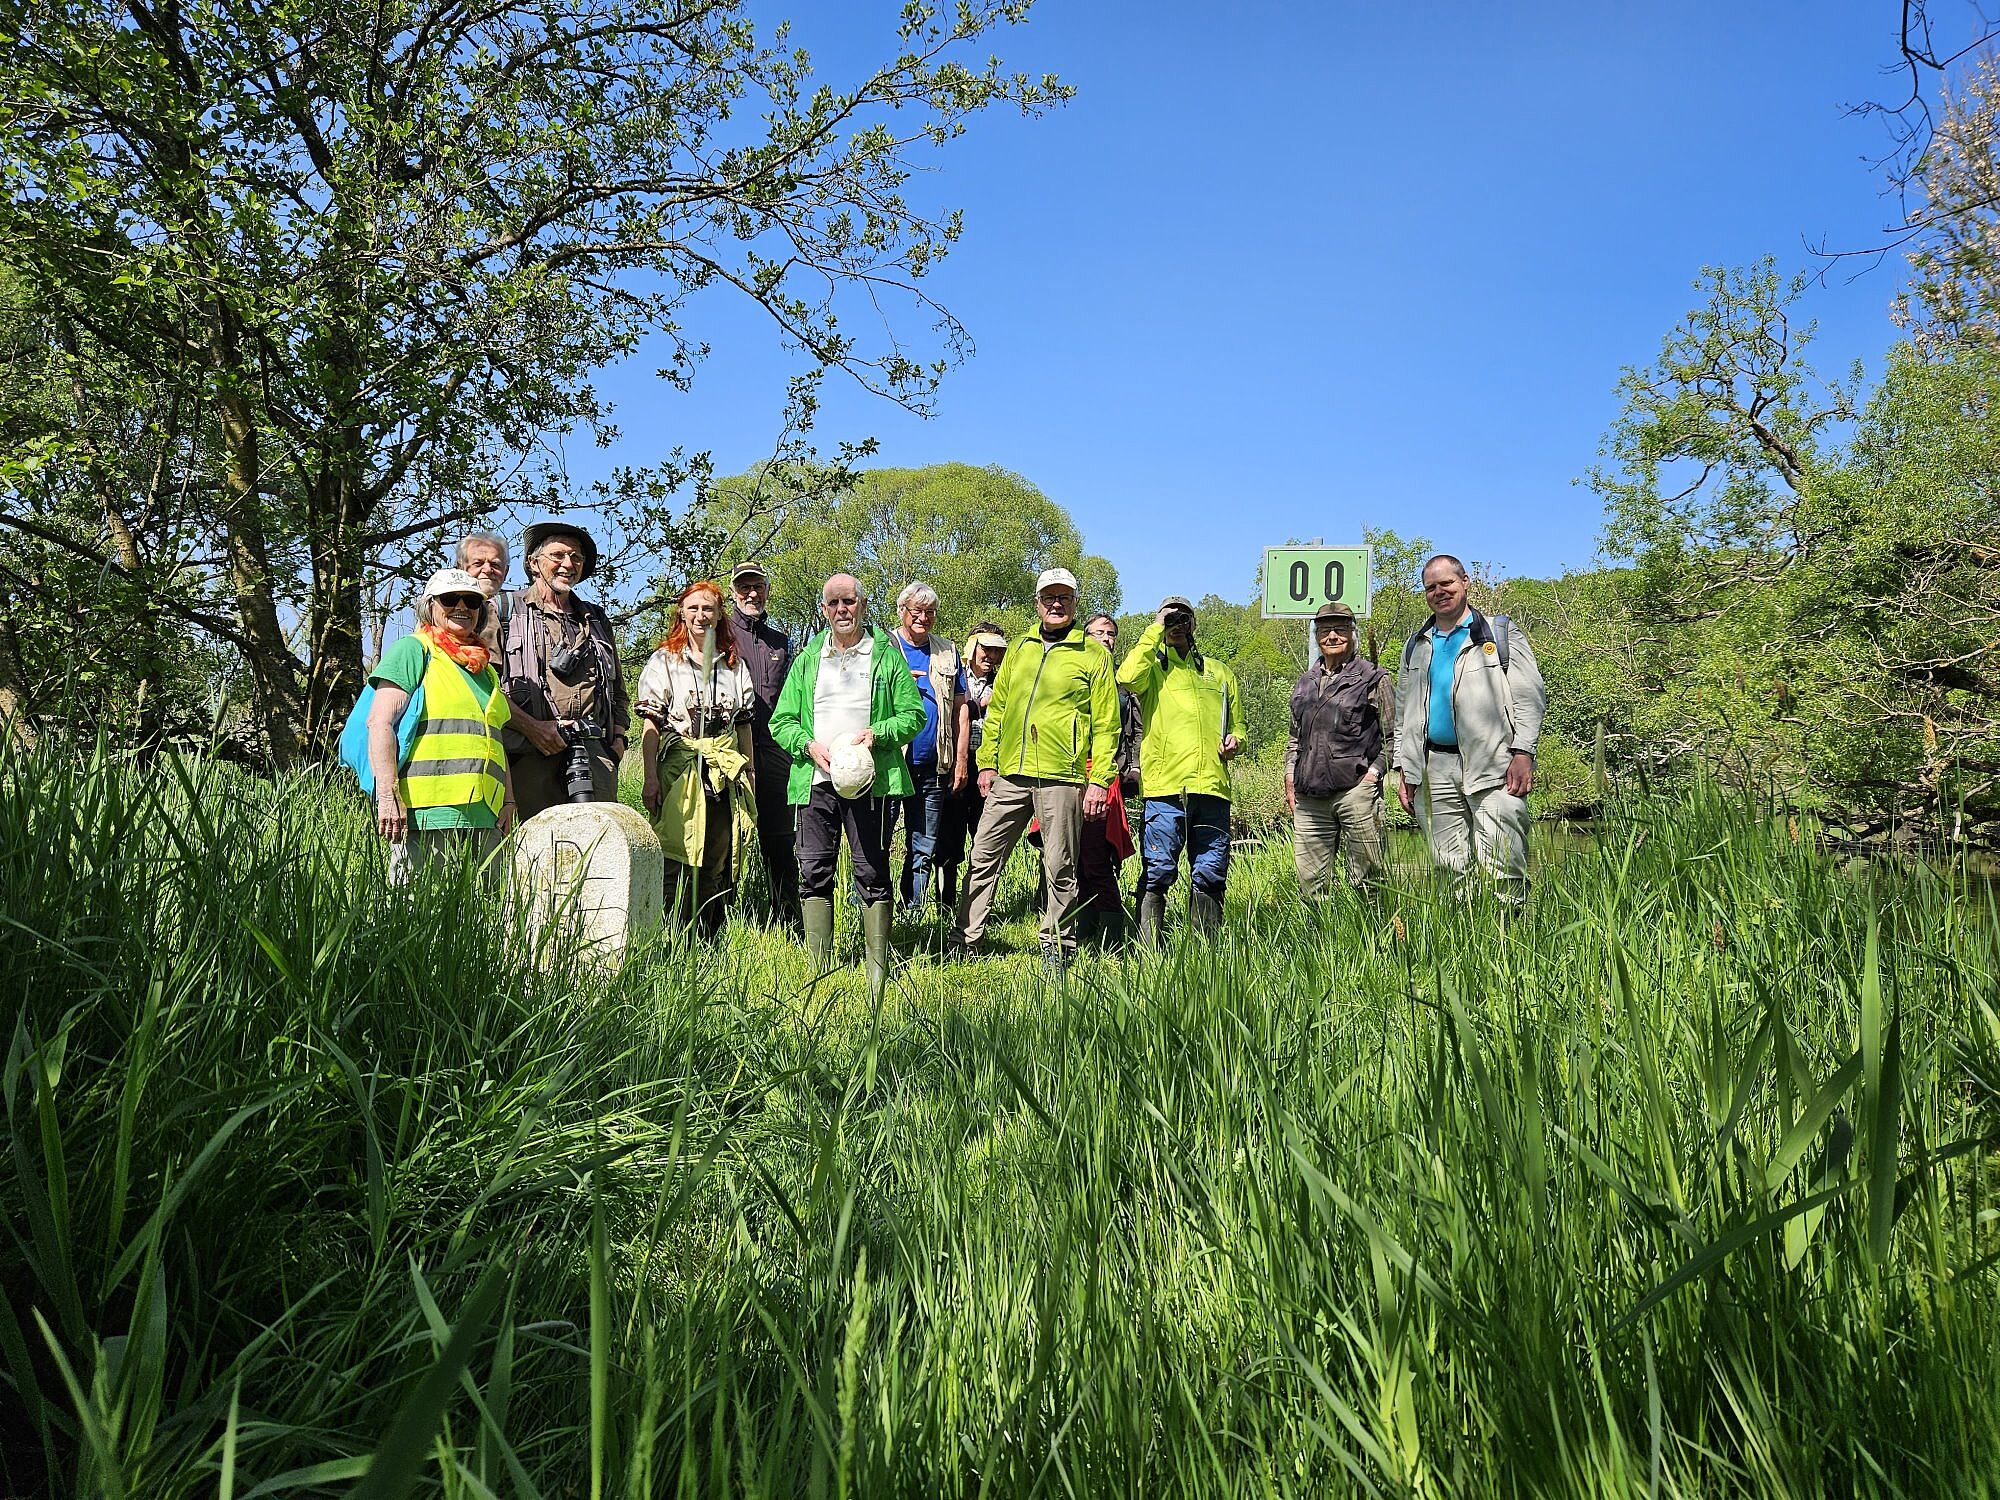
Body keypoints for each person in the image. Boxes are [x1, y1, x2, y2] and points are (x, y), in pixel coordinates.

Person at [768, 573, 924, 999]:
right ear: (824, 609)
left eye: (849, 601)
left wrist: (878, 735)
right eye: (834, 603)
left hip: (868, 784)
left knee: (871, 871)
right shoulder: (807, 659)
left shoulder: (885, 656)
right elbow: (780, 721)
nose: (842, 610)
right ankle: (820, 967)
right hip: (816, 782)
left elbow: (914, 715)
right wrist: (808, 745)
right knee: (813, 869)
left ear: (863, 604)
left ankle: (877, 969)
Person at [954, 569, 1119, 972]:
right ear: (1038, 602)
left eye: (1064, 597)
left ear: (1075, 603)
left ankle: (1058, 947)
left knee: (1060, 864)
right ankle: (966, 940)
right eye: (1049, 597)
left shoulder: (1092, 654)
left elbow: (1107, 724)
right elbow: (998, 712)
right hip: (1011, 773)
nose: (1056, 604)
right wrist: (987, 763)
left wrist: (1098, 781)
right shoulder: (1021, 649)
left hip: (1062, 776)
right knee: (982, 856)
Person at [1392, 553, 1545, 901]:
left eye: (1447, 583)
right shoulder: (1415, 646)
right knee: (1449, 869)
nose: (1439, 592)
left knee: (1504, 865)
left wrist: (1524, 753)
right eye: (1431, 587)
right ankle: (1464, 944)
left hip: (1493, 764)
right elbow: (1404, 712)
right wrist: (1404, 768)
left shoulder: (1499, 633)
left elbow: (1529, 698)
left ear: (1465, 583)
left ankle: (1510, 939)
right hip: (1435, 769)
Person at [366, 568, 517, 885]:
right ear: (430, 606)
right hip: (427, 813)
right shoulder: (414, 650)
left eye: (472, 601)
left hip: (486, 814)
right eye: (450, 599)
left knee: (487, 914)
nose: (462, 606)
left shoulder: (485, 670)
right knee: (417, 914)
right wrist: (387, 795)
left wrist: (508, 801)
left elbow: (495, 741)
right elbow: (379, 722)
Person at [1117, 595, 1247, 943]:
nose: (1177, 624)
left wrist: (1236, 740)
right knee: (1159, 870)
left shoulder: (1219, 672)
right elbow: (1126, 677)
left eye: (1183, 618)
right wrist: (1155, 629)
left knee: (1211, 872)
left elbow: (1239, 727)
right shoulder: (1153, 670)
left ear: (1194, 625)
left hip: (1212, 787)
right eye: (1170, 618)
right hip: (1165, 786)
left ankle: (1206, 952)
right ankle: (1150, 953)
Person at [636, 580, 758, 937]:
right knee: (677, 852)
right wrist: (650, 777)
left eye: (708, 608)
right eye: (693, 608)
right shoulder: (665, 660)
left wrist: (749, 770)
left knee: (718, 855)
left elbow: (745, 724)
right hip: (682, 768)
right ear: (682, 614)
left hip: (723, 770)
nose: (700, 615)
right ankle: (670, 936)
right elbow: (651, 723)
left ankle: (709, 937)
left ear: (720, 614)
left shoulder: (733, 665)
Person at [497, 521, 631, 822]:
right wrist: (533, 727)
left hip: (595, 757)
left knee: (598, 851)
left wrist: (618, 741)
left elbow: (618, 691)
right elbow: (485, 691)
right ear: (534, 563)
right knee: (533, 854)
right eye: (558, 555)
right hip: (528, 756)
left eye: (576, 557)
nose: (568, 564)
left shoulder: (595, 619)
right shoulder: (503, 610)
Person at [1286, 601, 1394, 896]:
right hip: (1310, 798)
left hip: (1355, 791)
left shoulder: (1374, 678)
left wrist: (1373, 776)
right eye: (1324, 629)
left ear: (1352, 633)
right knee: (1311, 884)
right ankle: (1318, 940)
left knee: (1368, 882)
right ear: (1316, 636)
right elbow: (1295, 737)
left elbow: (1393, 736)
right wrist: (1289, 775)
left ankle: (1374, 939)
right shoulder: (1305, 683)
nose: (1332, 636)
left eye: (1340, 628)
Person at [884, 582, 969, 916]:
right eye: (916, 611)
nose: (923, 618)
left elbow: (962, 708)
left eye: (929, 612)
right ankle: (875, 909)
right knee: (877, 841)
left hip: (933, 765)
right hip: (889, 764)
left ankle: (913, 914)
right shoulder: (881, 647)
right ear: (902, 611)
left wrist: (961, 761)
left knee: (923, 846)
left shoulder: (947, 650)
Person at [727, 560, 800, 928]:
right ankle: (719, 922)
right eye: (744, 587)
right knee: (725, 840)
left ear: (768, 591)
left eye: (758, 586)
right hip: (727, 751)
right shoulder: (719, 635)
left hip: (773, 752)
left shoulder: (781, 642)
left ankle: (788, 921)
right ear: (733, 592)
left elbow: (792, 698)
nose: (751, 593)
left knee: (780, 841)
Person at [1076, 613, 1140, 940]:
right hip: (1069, 774)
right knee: (1073, 860)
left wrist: (1135, 768)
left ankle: (1112, 941)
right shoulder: (1073, 675)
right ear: (1085, 637)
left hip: (1105, 777)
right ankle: (1084, 933)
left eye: (1111, 633)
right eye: (1099, 632)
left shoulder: (1124, 687)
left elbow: (1136, 733)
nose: (1106, 638)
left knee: (1098, 858)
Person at [936, 623, 1007, 911]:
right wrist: (978, 705)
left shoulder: (1005, 681)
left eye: (996, 650)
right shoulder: (955, 676)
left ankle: (978, 905)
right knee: (948, 838)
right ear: (972, 647)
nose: (989, 656)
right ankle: (945, 903)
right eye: (985, 648)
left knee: (985, 837)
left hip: (991, 765)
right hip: (956, 760)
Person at [457, 531, 511, 653]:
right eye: (478, 563)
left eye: (495, 564)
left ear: (506, 571)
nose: (487, 570)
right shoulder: (443, 608)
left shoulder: (518, 611)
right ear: (460, 568)